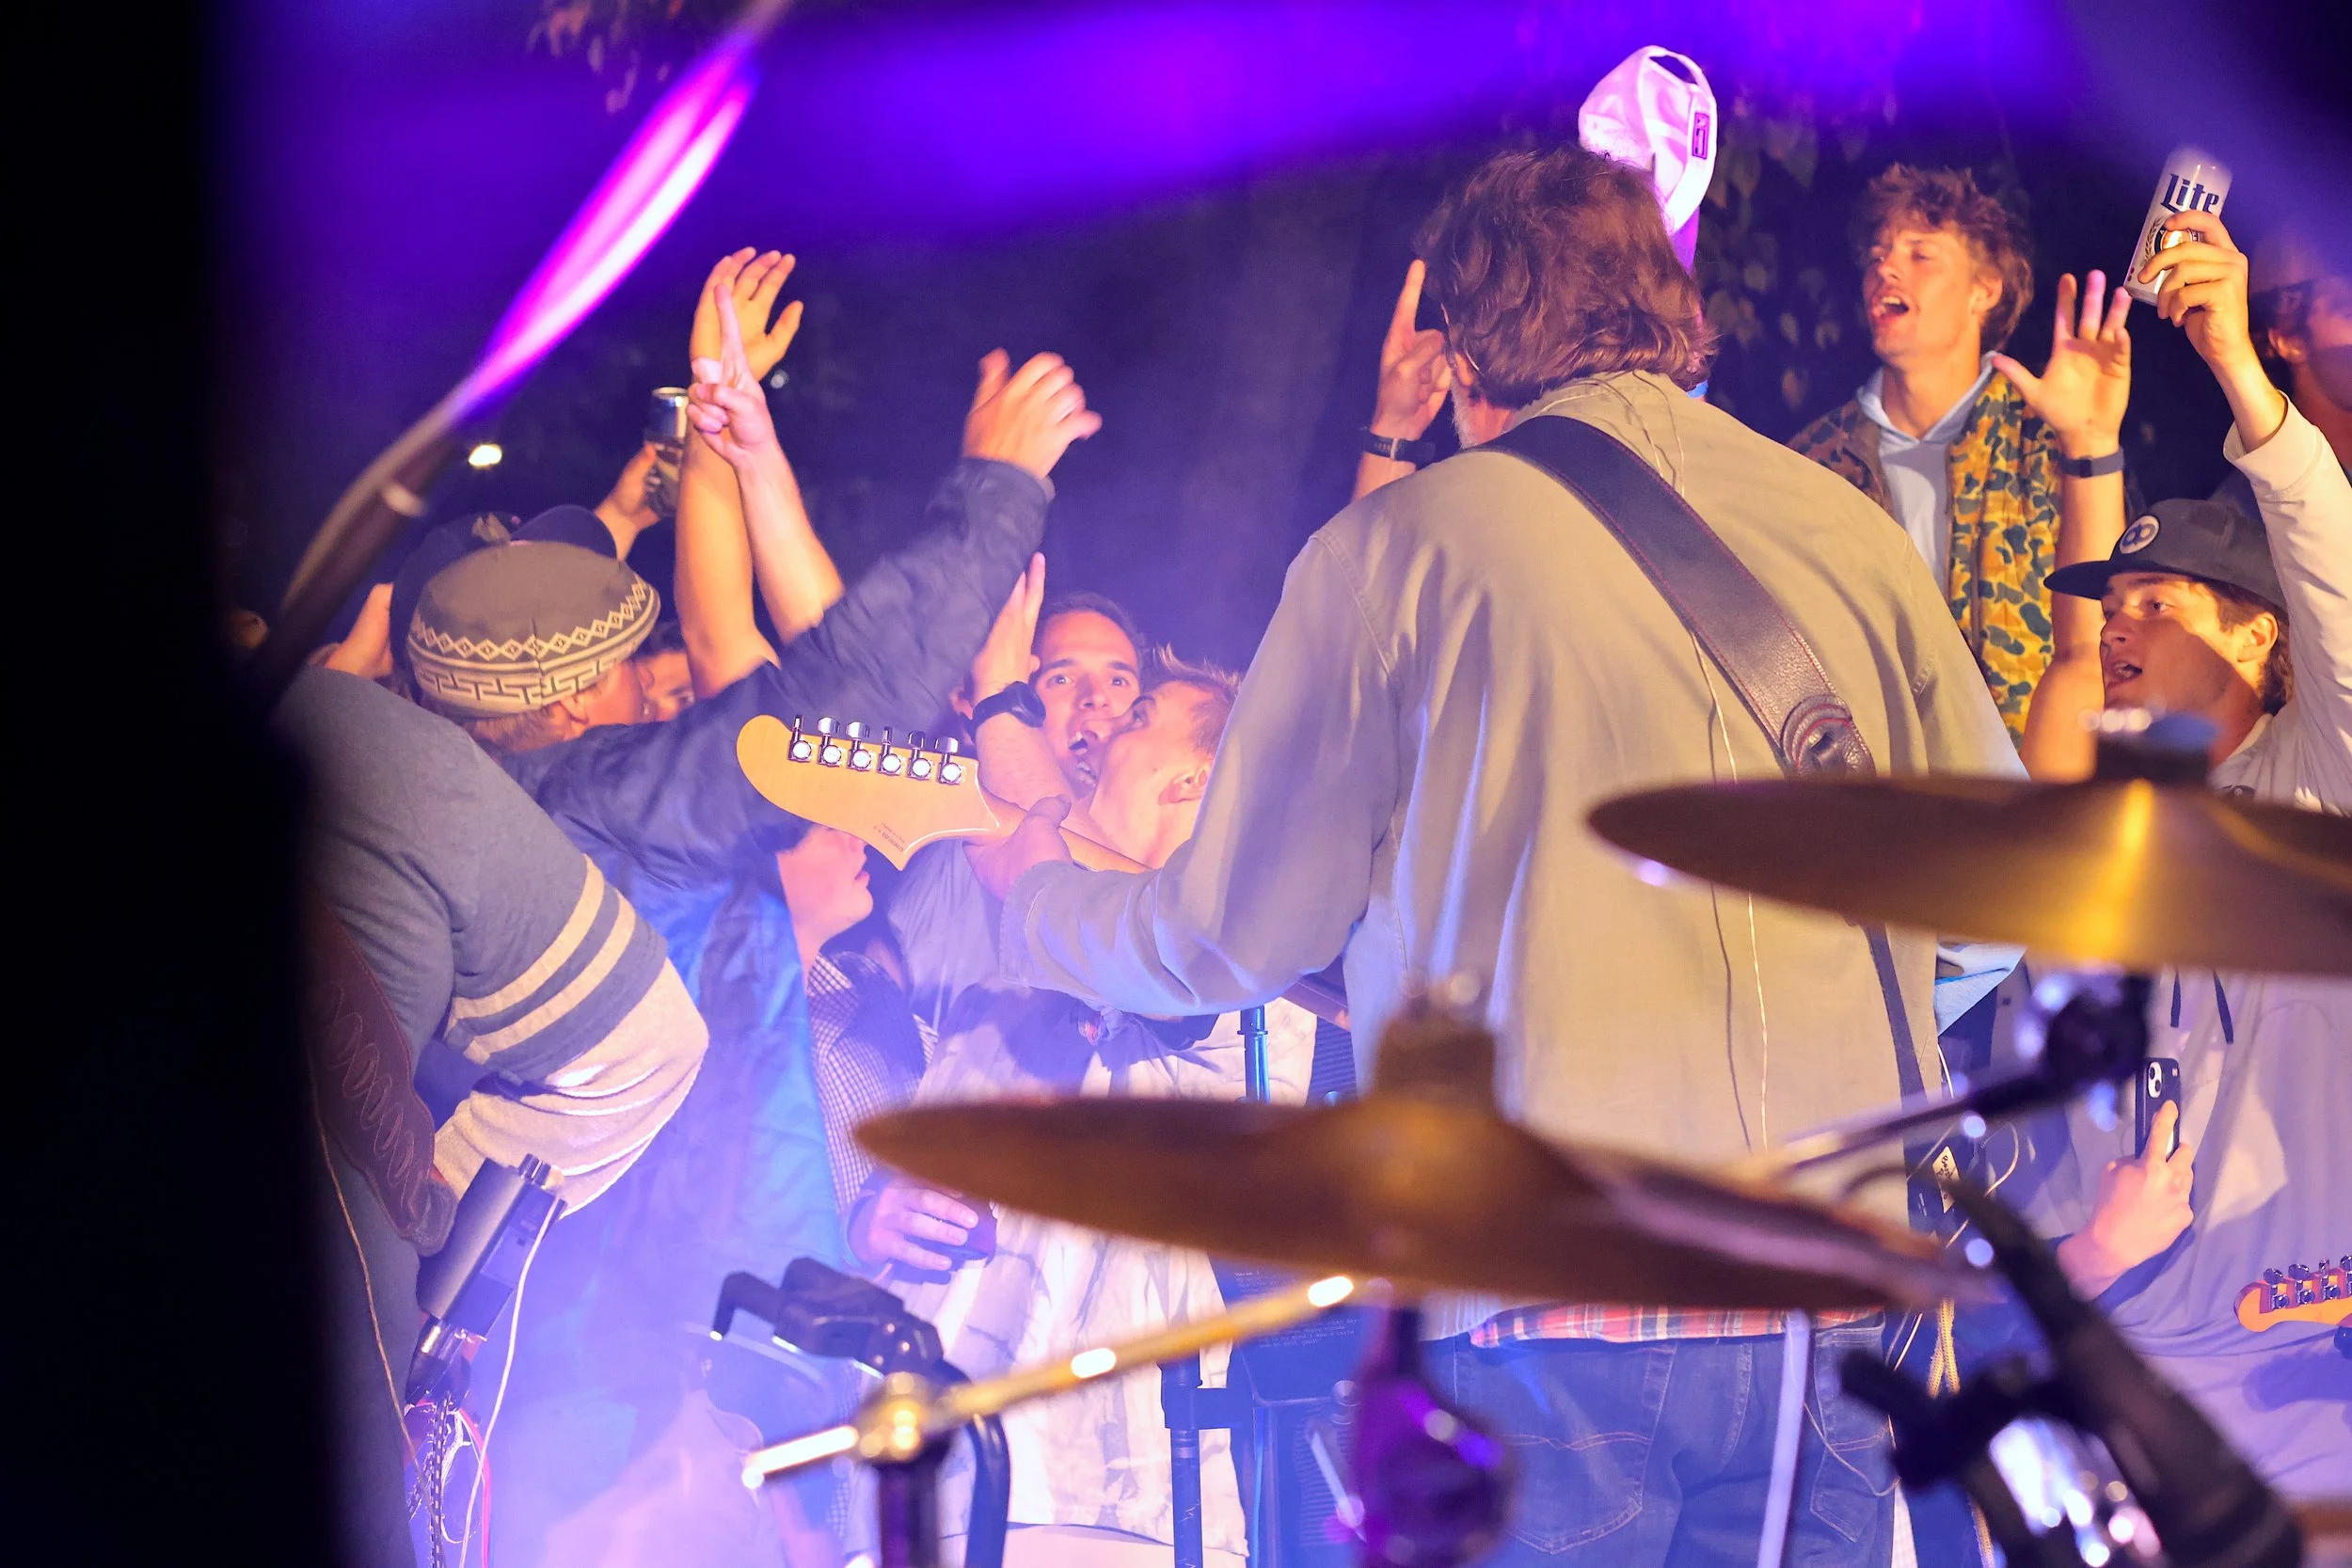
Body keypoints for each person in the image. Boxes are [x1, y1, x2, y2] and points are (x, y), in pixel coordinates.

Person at [969, 144, 2023, 1568]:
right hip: (1825, 1301)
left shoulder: (1392, 551)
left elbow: (1222, 938)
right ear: (1669, 305)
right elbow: (2000, 910)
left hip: (1550, 1291)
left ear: (1469, 350)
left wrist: (1032, 890)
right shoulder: (1851, 531)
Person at [2008, 209, 2352, 1496]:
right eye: (2119, 612)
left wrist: (2246, 387)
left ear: (2264, 647)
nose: (2122, 632)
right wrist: (2089, 1253)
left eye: (2161, 608)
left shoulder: (2316, 791)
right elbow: (2064, 667)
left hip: (2303, 1380)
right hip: (2109, 1385)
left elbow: (2335, 586)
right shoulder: (2095, 840)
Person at [862, 653, 1319, 1568]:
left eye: (1139, 707)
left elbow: (1142, 958)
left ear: (1198, 775)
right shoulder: (1003, 982)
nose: (1103, 721)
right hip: (944, 1485)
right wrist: (878, 1217)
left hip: (1127, 1508)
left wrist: (999, 703)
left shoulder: (1256, 964)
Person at [278, 665, 708, 1568]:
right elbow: (649, 1043)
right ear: (572, 693)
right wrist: (429, 1220)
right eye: (633, 666)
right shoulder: (355, 746)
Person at [1790, 165, 2059, 739]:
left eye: (1920, 254)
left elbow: (2112, 635)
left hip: (2032, 803)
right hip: (1876, 800)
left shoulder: (2048, 444)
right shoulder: (1809, 462)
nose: (1884, 267)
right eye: (1877, 254)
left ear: (1984, 291)